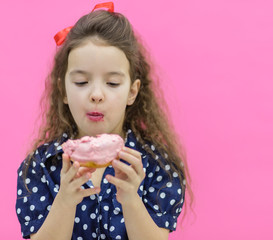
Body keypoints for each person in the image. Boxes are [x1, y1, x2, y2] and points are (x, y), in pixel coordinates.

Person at [15, 2, 192, 239]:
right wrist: (65, 200)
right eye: (81, 82)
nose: (96, 94)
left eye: (112, 83)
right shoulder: (41, 166)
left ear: (132, 91)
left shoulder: (157, 165)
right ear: (63, 91)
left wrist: (130, 199)